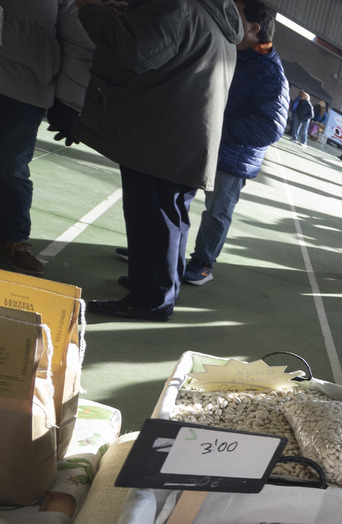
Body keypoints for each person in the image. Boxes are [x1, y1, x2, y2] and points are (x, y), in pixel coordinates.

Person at [77, 0, 242, 321]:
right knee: (171, 219)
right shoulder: (218, 21)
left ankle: (151, 299)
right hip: (185, 137)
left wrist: (91, 9)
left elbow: (134, 52)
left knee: (153, 220)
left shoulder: (179, 6)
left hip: (162, 134)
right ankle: (158, 287)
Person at [177, 0, 288, 288]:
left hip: (232, 156)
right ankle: (167, 252)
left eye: (235, 16)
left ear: (254, 28)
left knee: (217, 212)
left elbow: (270, 127)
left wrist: (217, 126)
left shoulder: (269, 72)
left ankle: (203, 264)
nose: (228, 19)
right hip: (203, 140)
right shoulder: (231, 50)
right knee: (177, 194)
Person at [0, 0, 94, 274]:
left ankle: (13, 240)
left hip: (24, 91)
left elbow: (78, 44)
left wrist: (68, 103)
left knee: (11, 168)